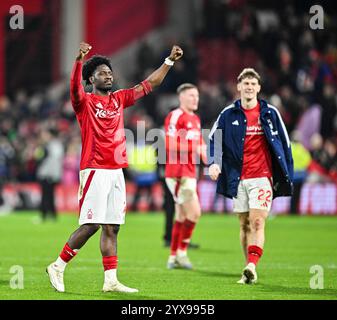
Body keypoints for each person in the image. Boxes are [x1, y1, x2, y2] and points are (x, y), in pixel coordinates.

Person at [46, 42, 183, 293]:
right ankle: (58, 265)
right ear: (91, 79)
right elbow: (74, 89)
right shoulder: (84, 102)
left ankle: (110, 280)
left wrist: (169, 61)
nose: (108, 75)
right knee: (91, 224)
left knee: (112, 227)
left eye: (109, 72)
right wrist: (78, 59)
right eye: (102, 73)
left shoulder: (119, 100)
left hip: (116, 170)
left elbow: (149, 85)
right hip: (95, 169)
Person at [208, 68, 293, 284]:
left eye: (253, 84)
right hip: (238, 178)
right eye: (245, 84)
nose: (249, 87)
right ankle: (249, 269)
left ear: (259, 88)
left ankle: (252, 265)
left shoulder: (270, 113)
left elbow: (285, 143)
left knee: (257, 222)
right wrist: (214, 163)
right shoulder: (228, 114)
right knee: (244, 225)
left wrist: (285, 174)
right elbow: (214, 139)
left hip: (262, 177)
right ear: (238, 87)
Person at [164, 83, 207, 270]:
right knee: (195, 212)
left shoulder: (196, 119)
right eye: (191, 95)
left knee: (182, 215)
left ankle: (173, 257)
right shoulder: (175, 116)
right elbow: (170, 145)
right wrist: (195, 148)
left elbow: (201, 144)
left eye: (197, 95)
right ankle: (181, 253)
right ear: (181, 97)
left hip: (190, 170)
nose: (195, 99)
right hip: (177, 172)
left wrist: (210, 160)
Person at [36, 129, 64, 221]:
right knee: (47, 195)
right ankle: (50, 215)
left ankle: (46, 215)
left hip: (49, 174)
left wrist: (54, 175)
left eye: (45, 134)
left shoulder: (54, 145)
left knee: (48, 195)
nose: (43, 136)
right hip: (46, 174)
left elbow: (55, 161)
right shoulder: (49, 145)